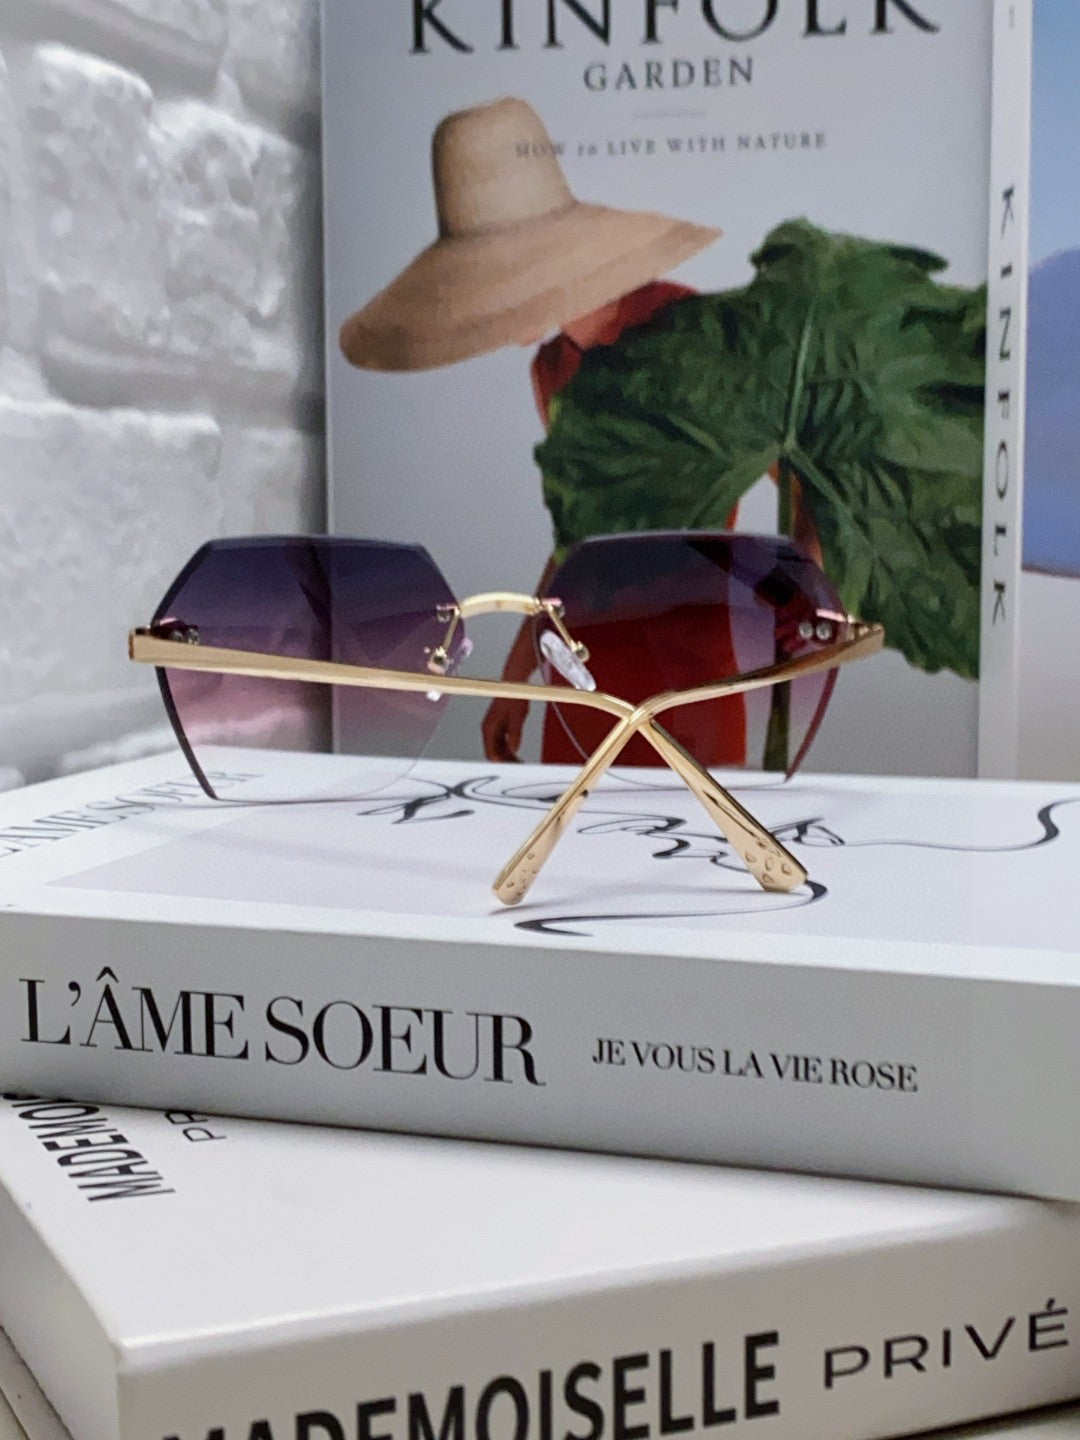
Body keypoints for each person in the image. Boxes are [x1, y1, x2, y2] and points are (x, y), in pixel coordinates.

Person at [339, 97, 767, 767]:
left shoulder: (693, 332)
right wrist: (520, 674)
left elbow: (801, 463)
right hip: (579, 676)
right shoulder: (552, 368)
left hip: (689, 670)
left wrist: (807, 606)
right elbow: (579, 538)